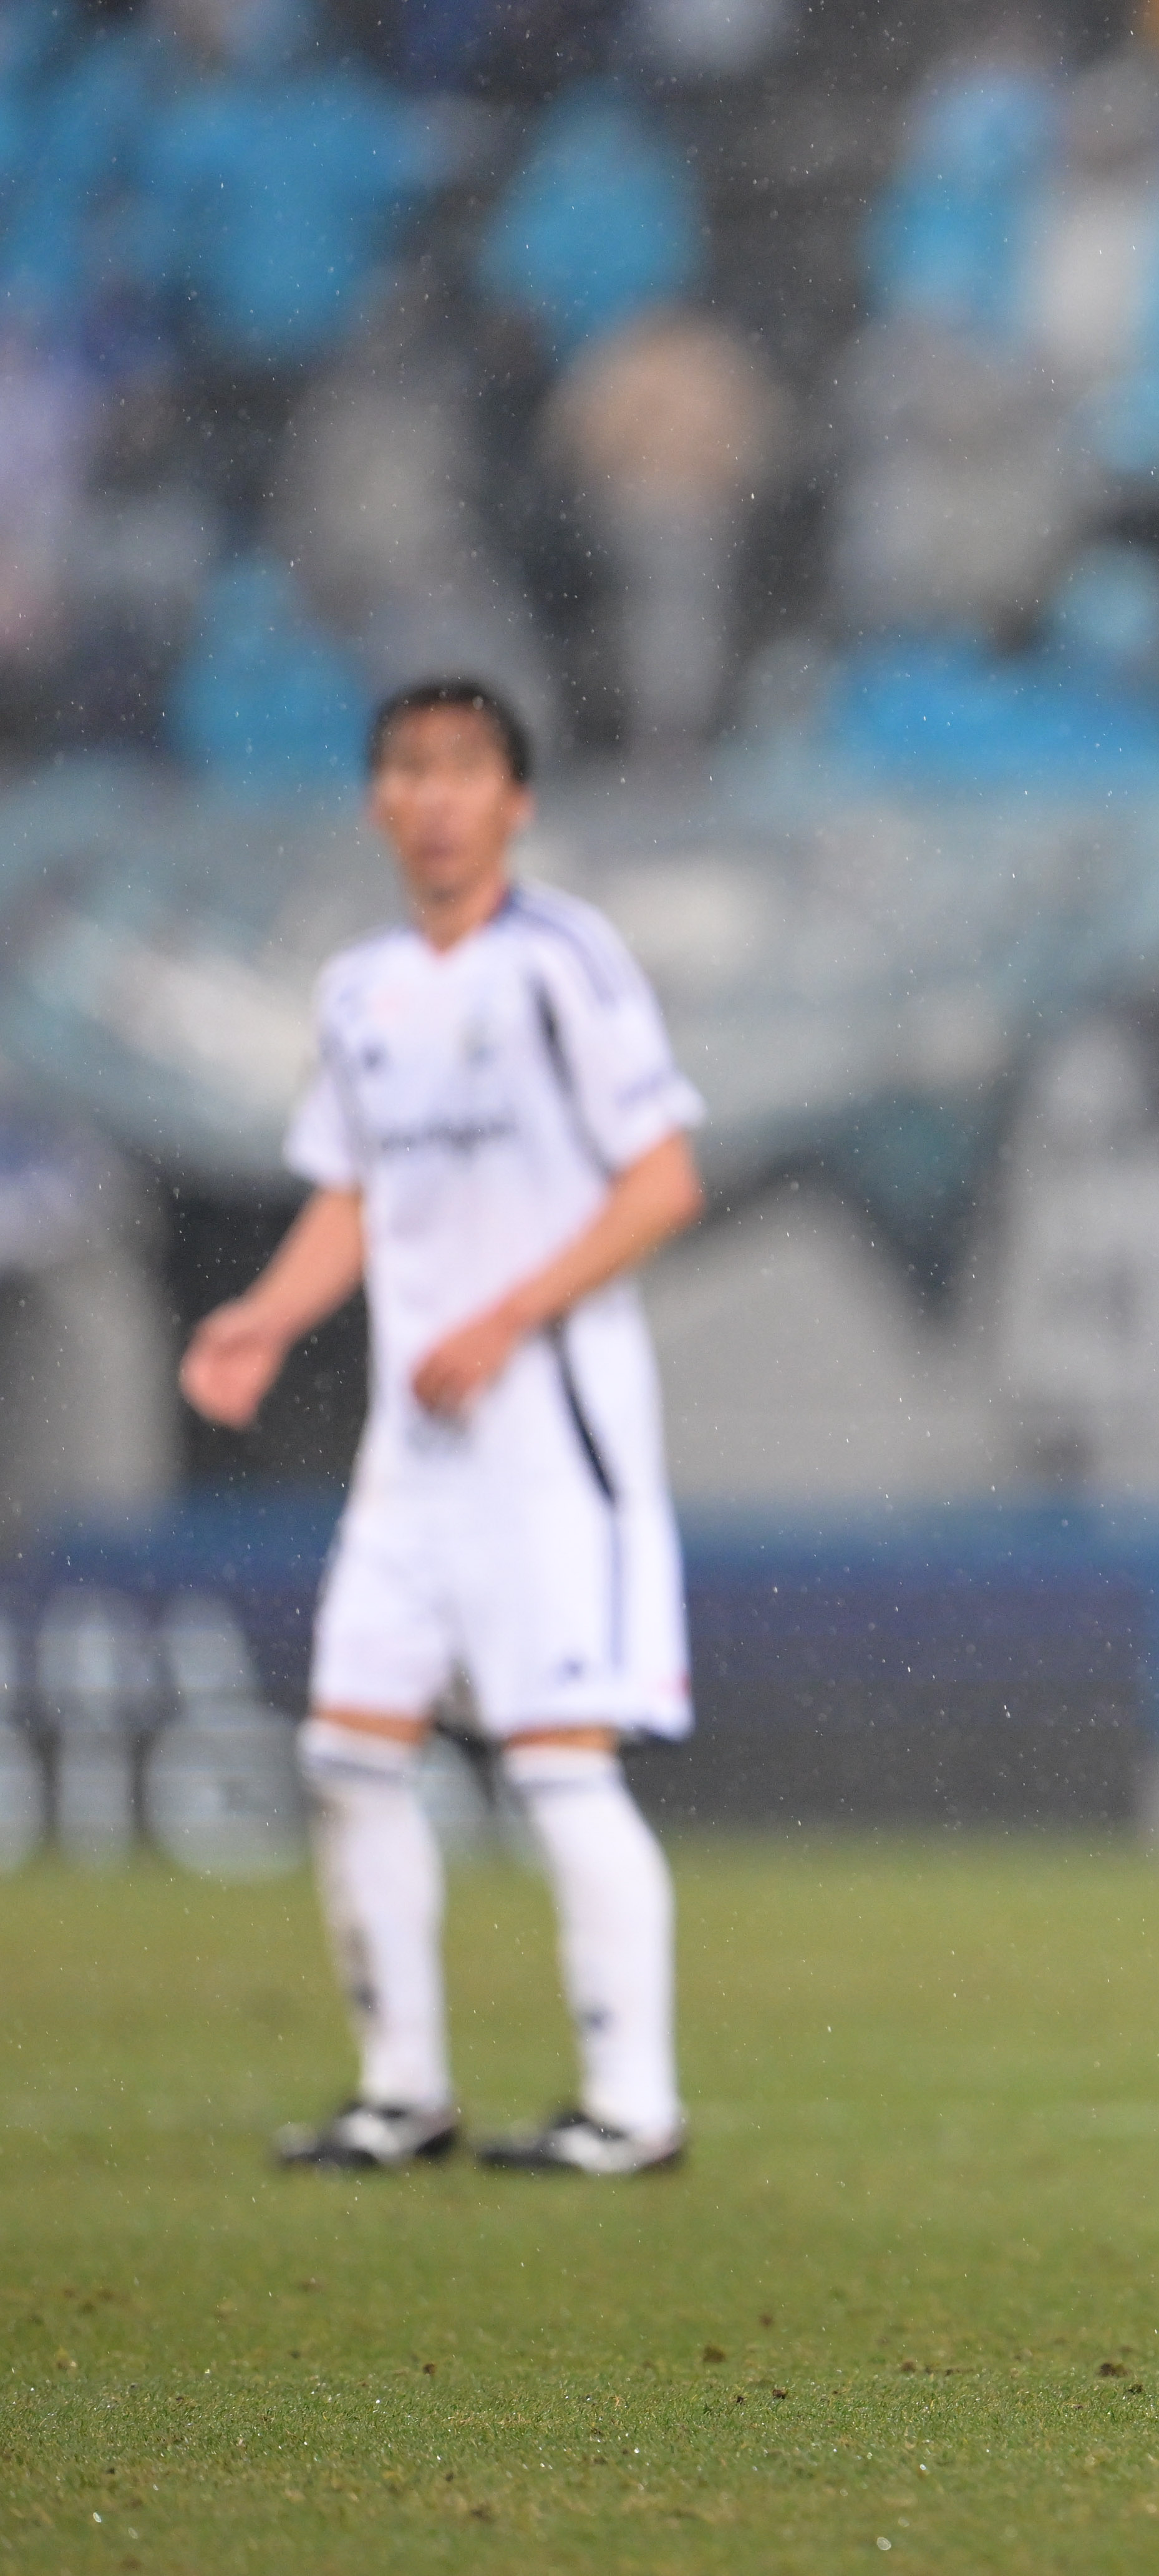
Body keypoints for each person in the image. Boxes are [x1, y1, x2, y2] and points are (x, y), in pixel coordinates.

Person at [182, 678, 709, 2175]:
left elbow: (663, 1181)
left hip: (550, 1441)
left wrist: (503, 1318)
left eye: (465, 768)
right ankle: (401, 2091)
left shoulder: (561, 963)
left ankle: (634, 2108)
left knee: (560, 1768)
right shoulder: (359, 992)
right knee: (349, 1757)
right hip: (413, 1458)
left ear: (516, 802)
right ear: (377, 803)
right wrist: (265, 1318)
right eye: (409, 769)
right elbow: (354, 1193)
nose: (434, 796)